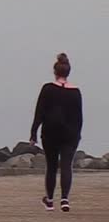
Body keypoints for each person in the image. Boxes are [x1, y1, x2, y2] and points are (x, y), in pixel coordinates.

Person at [30, 52, 83, 212]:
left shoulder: (47, 89)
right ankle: (65, 199)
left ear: (55, 72)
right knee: (66, 165)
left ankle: (50, 201)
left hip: (50, 132)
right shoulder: (76, 92)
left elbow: (39, 112)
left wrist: (33, 133)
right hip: (70, 134)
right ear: (68, 72)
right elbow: (79, 117)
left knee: (52, 166)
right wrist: (77, 134)